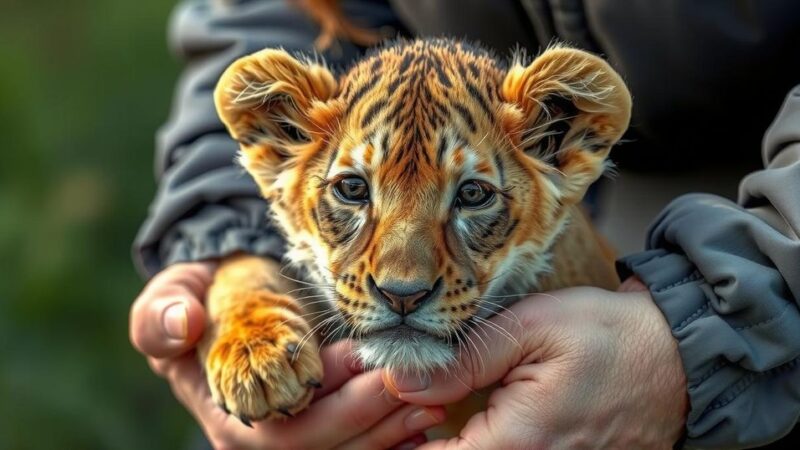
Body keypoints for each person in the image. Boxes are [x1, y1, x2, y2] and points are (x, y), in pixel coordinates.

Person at [129, 1, 800, 448]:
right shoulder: (298, 161)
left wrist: (702, 334)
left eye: (473, 197)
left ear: (562, 145)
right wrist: (226, 256)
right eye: (353, 190)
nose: (404, 276)